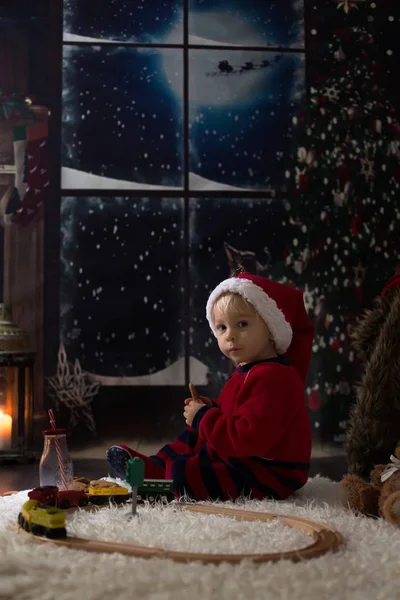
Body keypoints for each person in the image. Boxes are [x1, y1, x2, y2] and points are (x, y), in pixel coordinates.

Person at [107, 271, 314, 501]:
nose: (230, 336)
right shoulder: (248, 370)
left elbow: (248, 438)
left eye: (242, 324)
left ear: (271, 329)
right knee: (194, 435)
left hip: (267, 471)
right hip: (243, 456)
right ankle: (156, 468)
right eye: (222, 328)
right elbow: (233, 412)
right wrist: (209, 407)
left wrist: (205, 416)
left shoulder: (276, 377)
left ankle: (168, 482)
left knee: (187, 472)